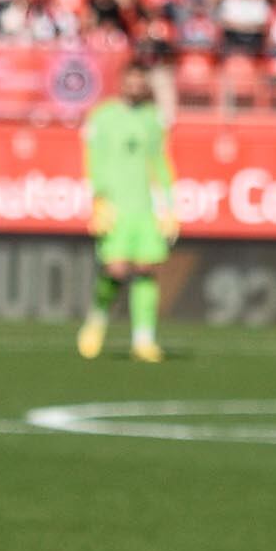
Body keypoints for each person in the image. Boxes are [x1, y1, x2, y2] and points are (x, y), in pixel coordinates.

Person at [79, 55, 174, 363]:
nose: (135, 85)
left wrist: (169, 206)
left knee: (146, 268)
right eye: (130, 79)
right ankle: (98, 317)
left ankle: (143, 339)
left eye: (140, 80)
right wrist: (98, 198)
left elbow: (160, 162)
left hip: (144, 207)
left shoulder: (152, 118)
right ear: (121, 82)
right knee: (116, 269)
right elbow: (92, 158)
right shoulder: (103, 116)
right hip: (115, 206)